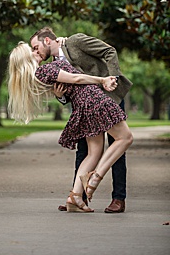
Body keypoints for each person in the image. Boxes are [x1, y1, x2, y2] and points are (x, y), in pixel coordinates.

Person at [7, 42, 133, 212]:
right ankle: (95, 177)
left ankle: (75, 197)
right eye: (32, 51)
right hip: (93, 99)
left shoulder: (37, 75)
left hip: (82, 105)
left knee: (93, 153)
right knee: (125, 138)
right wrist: (102, 80)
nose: (36, 52)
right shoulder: (44, 70)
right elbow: (76, 79)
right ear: (25, 60)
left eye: (35, 48)